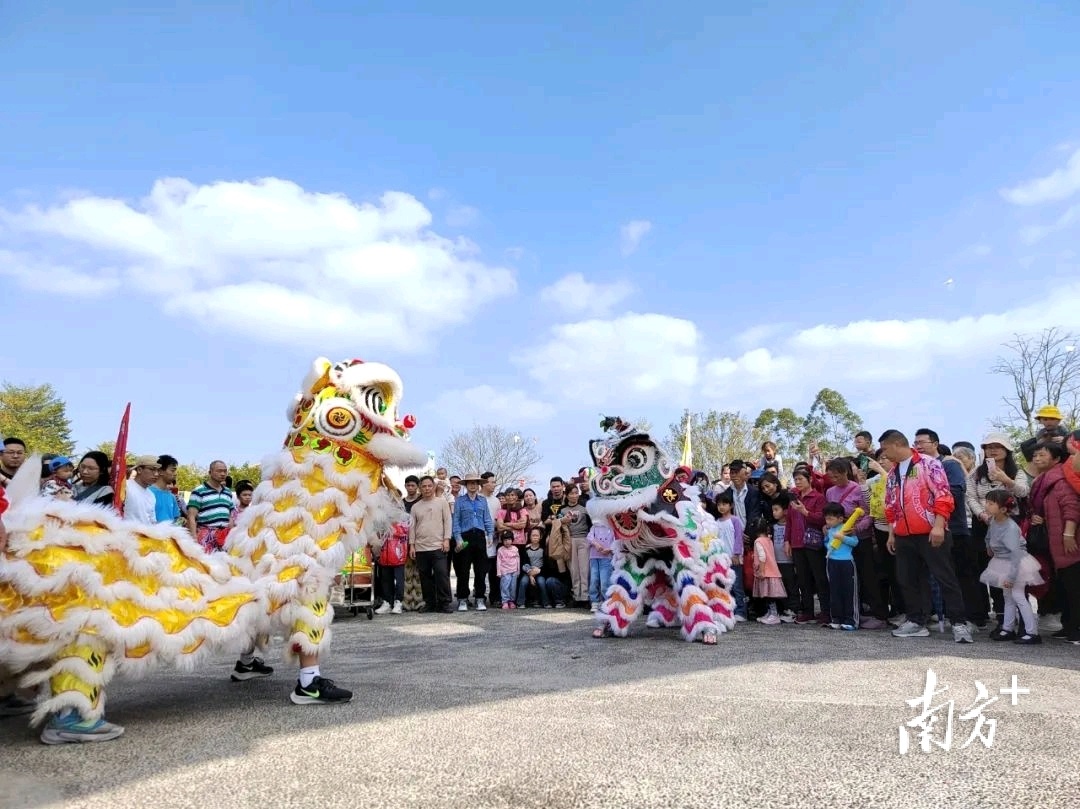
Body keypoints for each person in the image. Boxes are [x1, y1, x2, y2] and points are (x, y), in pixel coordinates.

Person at [880, 430, 973, 643]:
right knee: (908, 579)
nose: (884, 454)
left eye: (885, 449)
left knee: (944, 577)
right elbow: (891, 504)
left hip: (930, 531)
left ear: (896, 444)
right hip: (903, 534)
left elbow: (943, 495)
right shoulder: (893, 472)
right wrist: (892, 534)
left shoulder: (928, 463)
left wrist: (939, 526)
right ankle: (916, 621)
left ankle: (958, 623)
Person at [981, 490, 1044, 645]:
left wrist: (1011, 576)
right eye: (987, 502)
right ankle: (1007, 628)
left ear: (1003, 509)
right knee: (1008, 596)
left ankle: (1032, 632)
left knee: (1018, 596)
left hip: (1016, 565)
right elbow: (989, 535)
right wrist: (989, 546)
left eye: (991, 503)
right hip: (1002, 561)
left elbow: (1015, 554)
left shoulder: (1010, 527)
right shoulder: (994, 520)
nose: (987, 506)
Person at [409, 475, 454, 613]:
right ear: (420, 488)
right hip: (421, 547)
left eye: (429, 486)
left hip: (438, 546)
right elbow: (412, 527)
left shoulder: (442, 503)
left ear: (434, 487)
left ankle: (444, 603)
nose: (427, 488)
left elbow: (448, 521)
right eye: (424, 486)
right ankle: (429, 603)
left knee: (442, 574)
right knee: (425, 577)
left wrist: (446, 539)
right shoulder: (415, 507)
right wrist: (412, 545)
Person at [452, 471, 493, 611]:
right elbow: (456, 521)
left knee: (481, 570)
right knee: (463, 570)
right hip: (465, 537)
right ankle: (462, 599)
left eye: (475, 483)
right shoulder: (460, 501)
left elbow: (487, 519)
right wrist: (458, 538)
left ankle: (480, 598)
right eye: (470, 483)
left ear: (478, 485)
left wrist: (490, 534)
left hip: (480, 536)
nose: (473, 485)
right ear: (466, 485)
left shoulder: (483, 500)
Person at [824, 502, 859, 631]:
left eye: (831, 519)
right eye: (826, 519)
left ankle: (850, 620)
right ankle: (836, 618)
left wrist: (842, 538)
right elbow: (827, 543)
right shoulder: (829, 530)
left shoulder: (847, 527)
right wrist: (828, 543)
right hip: (832, 561)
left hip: (846, 562)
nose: (828, 521)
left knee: (849, 591)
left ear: (840, 518)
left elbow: (855, 542)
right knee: (835, 591)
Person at [714, 490, 747, 622]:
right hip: (721, 559)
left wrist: (737, 554)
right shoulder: (716, 522)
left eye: (724, 504)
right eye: (719, 504)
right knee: (723, 585)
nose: (721, 507)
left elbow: (738, 537)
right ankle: (726, 609)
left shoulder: (735, 520)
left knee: (737, 585)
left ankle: (741, 611)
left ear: (731, 505)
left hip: (734, 558)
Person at [751, 520, 786, 625]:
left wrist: (761, 571)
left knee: (769, 596)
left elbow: (762, 556)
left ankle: (774, 615)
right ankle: (770, 613)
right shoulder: (769, 540)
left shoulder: (758, 541)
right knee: (769, 596)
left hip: (766, 572)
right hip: (772, 571)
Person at [770, 493, 797, 622]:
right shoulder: (772, 527)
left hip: (789, 561)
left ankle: (794, 609)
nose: (774, 513)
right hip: (776, 561)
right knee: (780, 587)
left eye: (776, 510)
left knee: (791, 586)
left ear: (785, 511)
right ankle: (784, 609)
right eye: (773, 510)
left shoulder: (791, 526)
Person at [518, 526, 555, 608]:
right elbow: (524, 563)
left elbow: (547, 565)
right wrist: (530, 574)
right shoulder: (526, 549)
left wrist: (539, 570)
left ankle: (546, 602)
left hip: (540, 571)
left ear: (540, 537)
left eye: (537, 535)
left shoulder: (543, 549)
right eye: (533, 535)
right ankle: (520, 602)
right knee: (523, 582)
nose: (535, 537)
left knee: (541, 582)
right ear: (529, 537)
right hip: (528, 571)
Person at [587, 518, 615, 612]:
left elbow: (617, 542)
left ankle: (607, 602)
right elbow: (589, 537)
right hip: (594, 557)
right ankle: (595, 601)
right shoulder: (594, 527)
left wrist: (610, 549)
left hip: (607, 558)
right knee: (593, 580)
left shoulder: (612, 528)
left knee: (605, 581)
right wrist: (596, 544)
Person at [495, 530, 520, 609]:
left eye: (509, 539)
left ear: (512, 540)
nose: (507, 542)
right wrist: (499, 572)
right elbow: (498, 561)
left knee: (513, 587)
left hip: (514, 571)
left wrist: (518, 571)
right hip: (505, 572)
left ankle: (511, 601)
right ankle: (505, 601)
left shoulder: (515, 549)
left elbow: (518, 560)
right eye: (505, 540)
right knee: (505, 586)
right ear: (502, 541)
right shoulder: (500, 550)